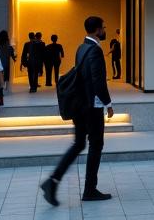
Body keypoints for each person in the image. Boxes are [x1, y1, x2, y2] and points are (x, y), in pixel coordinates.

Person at [40, 16, 113, 206]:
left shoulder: (81, 48)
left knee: (79, 143)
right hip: (91, 107)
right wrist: (108, 103)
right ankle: (90, 190)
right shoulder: (95, 50)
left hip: (79, 105)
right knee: (96, 144)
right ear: (97, 30)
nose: (105, 30)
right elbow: (98, 81)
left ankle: (52, 181)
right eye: (103, 28)